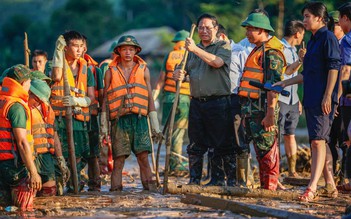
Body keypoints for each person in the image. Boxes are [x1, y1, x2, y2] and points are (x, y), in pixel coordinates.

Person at [275, 2, 340, 201]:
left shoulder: (327, 37)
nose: (304, 21)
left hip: (322, 99)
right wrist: (284, 83)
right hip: (311, 98)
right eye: (303, 16)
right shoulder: (312, 41)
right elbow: (306, 74)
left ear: (320, 18)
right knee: (321, 141)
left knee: (317, 142)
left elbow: (334, 68)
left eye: (307, 16)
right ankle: (330, 185)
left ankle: (311, 187)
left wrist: (329, 95)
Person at [173, 14, 234, 186]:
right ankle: (194, 180)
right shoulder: (191, 50)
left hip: (218, 102)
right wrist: (179, 74)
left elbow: (217, 62)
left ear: (216, 29)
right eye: (201, 27)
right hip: (197, 103)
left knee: (219, 143)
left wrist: (195, 50)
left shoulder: (223, 45)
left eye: (208, 27)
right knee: (195, 144)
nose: (204, 30)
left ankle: (218, 181)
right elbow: (183, 71)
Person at [100, 35, 161, 191]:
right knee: (118, 160)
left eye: (131, 49)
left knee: (143, 158)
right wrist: (104, 127)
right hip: (119, 121)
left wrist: (155, 125)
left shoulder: (143, 70)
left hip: (140, 120)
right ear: (119, 51)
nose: (128, 52)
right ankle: (116, 192)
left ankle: (150, 191)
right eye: (124, 49)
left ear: (136, 51)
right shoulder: (110, 72)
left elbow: (149, 96)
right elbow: (106, 101)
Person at [239, 11, 287, 191]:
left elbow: (274, 86)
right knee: (259, 152)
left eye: (250, 29)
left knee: (267, 150)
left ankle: (270, 189)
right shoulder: (258, 49)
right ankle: (263, 188)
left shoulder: (271, 53)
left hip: (263, 110)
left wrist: (270, 114)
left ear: (261, 30)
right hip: (251, 109)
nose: (247, 33)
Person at [50, 30, 95, 192]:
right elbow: (55, 76)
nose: (78, 50)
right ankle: (62, 182)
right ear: (66, 47)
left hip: (79, 120)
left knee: (79, 154)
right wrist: (57, 51)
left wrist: (77, 101)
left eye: (81, 46)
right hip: (60, 119)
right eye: (74, 46)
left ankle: (74, 184)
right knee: (61, 155)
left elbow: (91, 98)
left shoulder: (86, 69)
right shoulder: (57, 64)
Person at [0, 64, 41, 209]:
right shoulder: (15, 107)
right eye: (29, 82)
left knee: (5, 209)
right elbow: (22, 142)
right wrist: (33, 172)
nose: (30, 87)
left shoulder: (2, 100)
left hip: (2, 165)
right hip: (14, 166)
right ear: (23, 83)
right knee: (24, 209)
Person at [153, 30, 190, 176]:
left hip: (169, 98)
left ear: (176, 43)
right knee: (178, 132)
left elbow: (160, 80)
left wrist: (153, 98)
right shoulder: (192, 55)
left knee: (169, 131)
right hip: (184, 99)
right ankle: (176, 164)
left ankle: (172, 162)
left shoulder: (169, 55)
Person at [279, 20, 305, 178]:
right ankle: (273, 170)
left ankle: (292, 170)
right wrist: (301, 61)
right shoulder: (280, 49)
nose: (303, 37)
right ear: (297, 34)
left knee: (291, 134)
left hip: (293, 99)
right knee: (276, 136)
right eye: (302, 34)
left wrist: (298, 99)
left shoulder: (295, 50)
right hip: (281, 98)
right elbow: (287, 73)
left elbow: (295, 77)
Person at [82, 36, 104, 191]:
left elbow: (101, 95)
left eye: (82, 46)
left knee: (93, 152)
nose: (79, 49)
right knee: (74, 152)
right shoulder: (63, 68)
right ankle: (74, 183)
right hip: (72, 116)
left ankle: (94, 184)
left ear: (85, 48)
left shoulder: (95, 70)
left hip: (92, 115)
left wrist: (104, 117)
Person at [328, 10, 346, 177]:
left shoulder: (345, 43)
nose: (331, 28)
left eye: (334, 25)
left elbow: (344, 73)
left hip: (342, 98)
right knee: (330, 139)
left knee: (344, 139)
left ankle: (344, 176)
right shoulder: (329, 44)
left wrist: (337, 98)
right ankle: (334, 174)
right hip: (332, 97)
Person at [337, 2, 351, 192]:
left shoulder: (347, 40)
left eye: (340, 18)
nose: (339, 22)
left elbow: (346, 69)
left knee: (349, 137)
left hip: (349, 98)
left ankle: (348, 181)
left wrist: (337, 98)